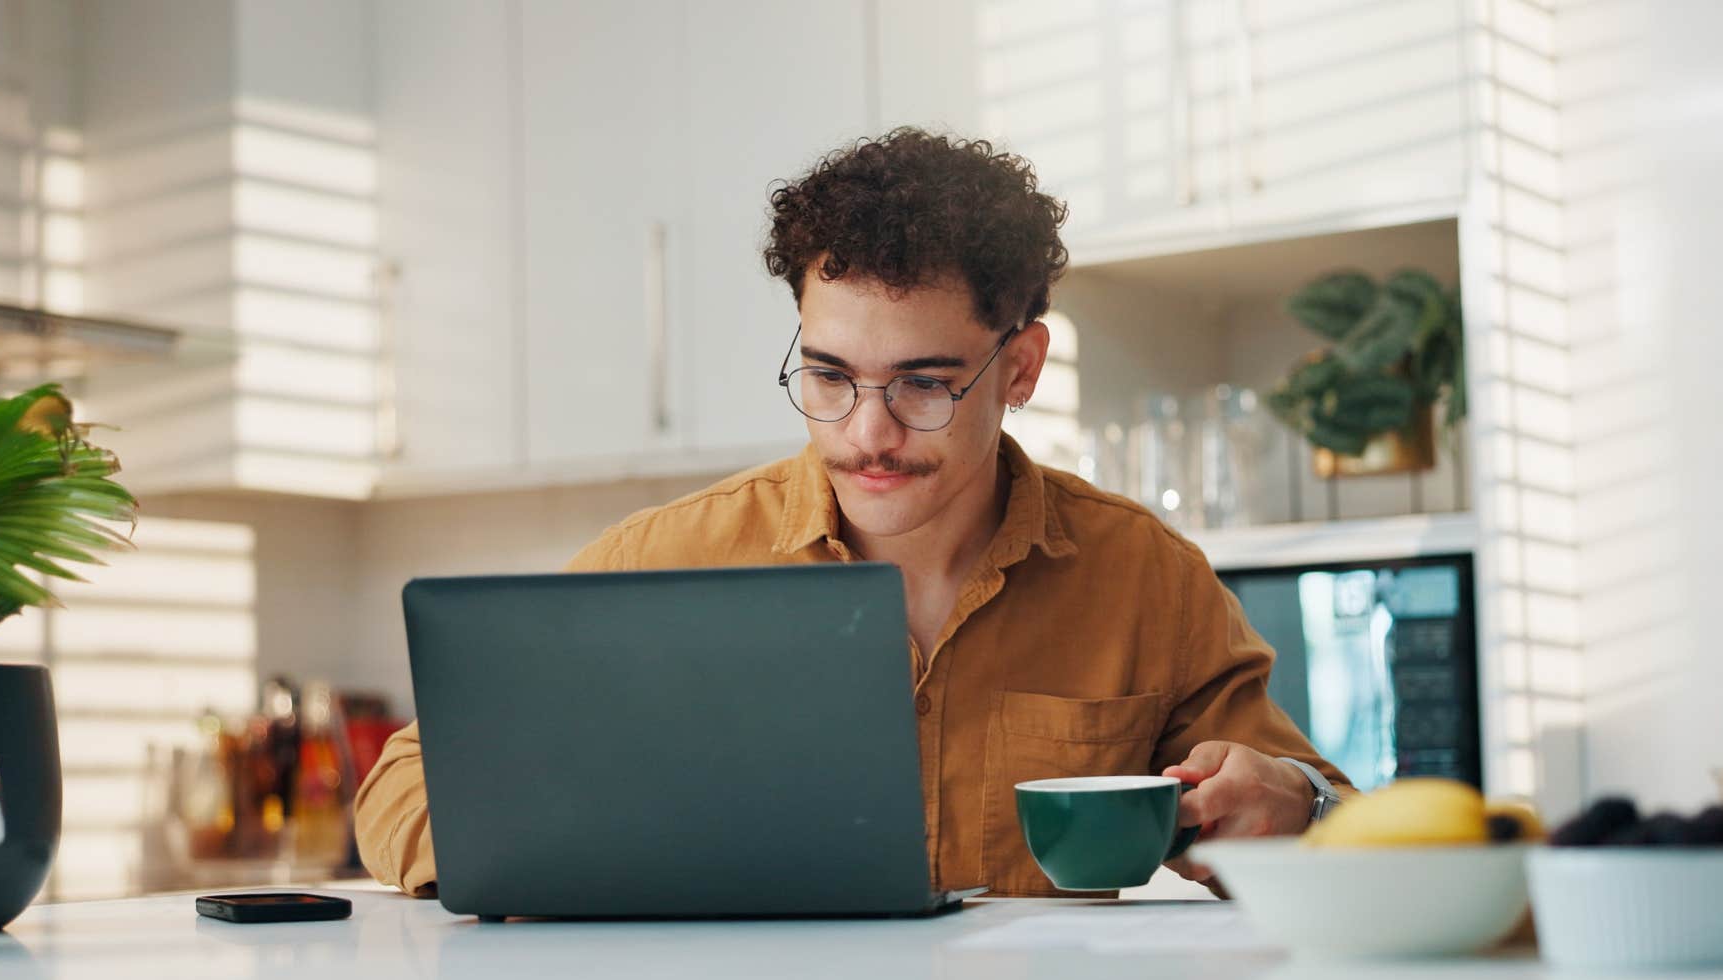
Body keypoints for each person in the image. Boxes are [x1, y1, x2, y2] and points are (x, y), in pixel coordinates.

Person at [354, 128, 1353, 900]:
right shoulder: (674, 559)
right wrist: (545, 862)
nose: (867, 433)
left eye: (924, 384)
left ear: (1021, 368)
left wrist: (1294, 806)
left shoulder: (1142, 578)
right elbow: (405, 782)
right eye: (828, 375)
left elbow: (1339, 817)